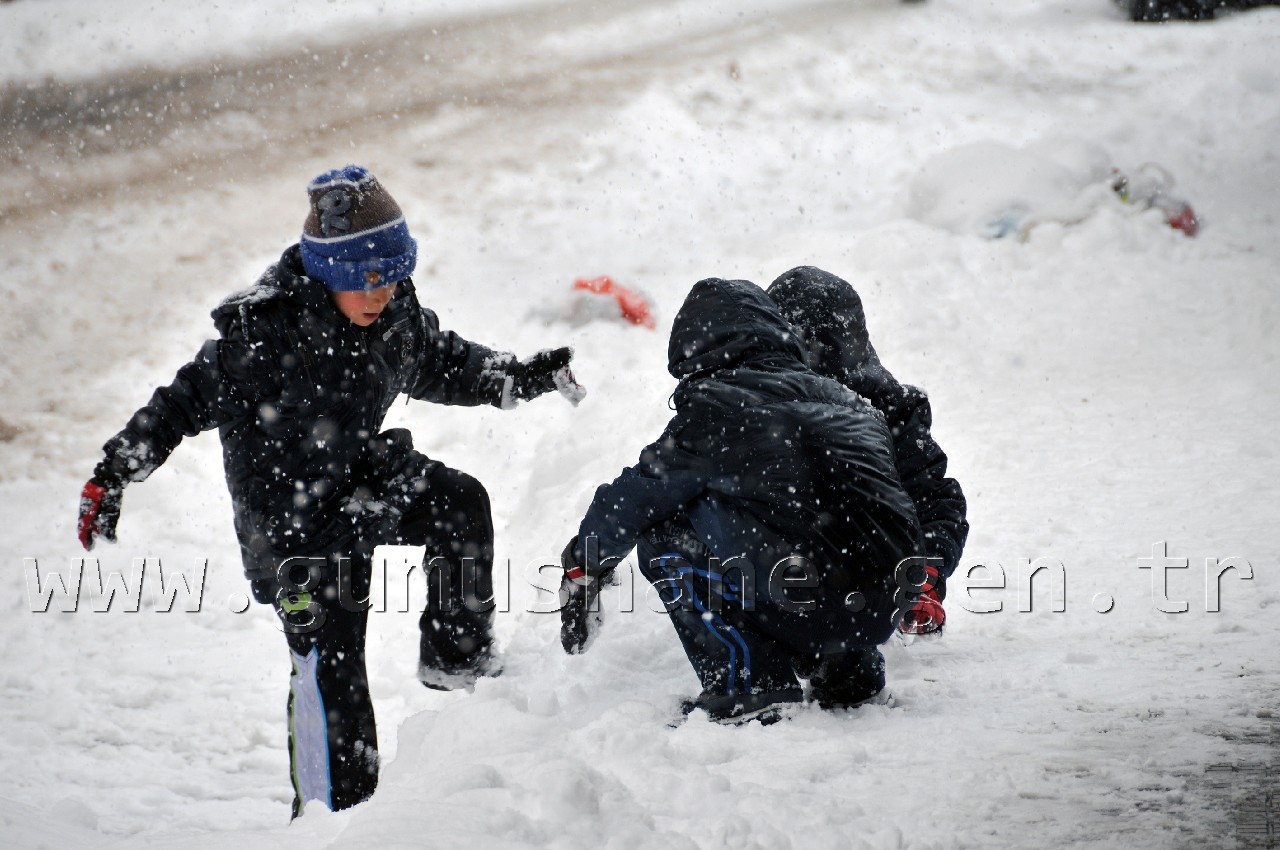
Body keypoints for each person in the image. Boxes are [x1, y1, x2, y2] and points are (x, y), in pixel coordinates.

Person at [75, 164, 583, 816]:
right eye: (365, 280)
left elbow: (446, 361)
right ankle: (326, 818)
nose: (381, 292)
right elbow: (179, 403)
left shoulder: (393, 316)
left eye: (393, 274)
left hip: (361, 485)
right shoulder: (263, 339)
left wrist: (519, 375)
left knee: (460, 504)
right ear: (327, 274)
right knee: (332, 671)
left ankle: (459, 664)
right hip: (293, 530)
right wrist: (113, 472)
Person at [558, 277, 922, 724]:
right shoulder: (851, 402)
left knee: (666, 528)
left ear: (692, 351)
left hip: (806, 593)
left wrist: (583, 563)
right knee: (833, 519)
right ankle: (850, 671)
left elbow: (635, 499)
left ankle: (750, 684)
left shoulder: (719, 404)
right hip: (889, 598)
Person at [766, 267, 968, 637]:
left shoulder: (889, 409)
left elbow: (935, 499)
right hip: (772, 577)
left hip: (867, 581)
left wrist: (925, 573)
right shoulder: (758, 404)